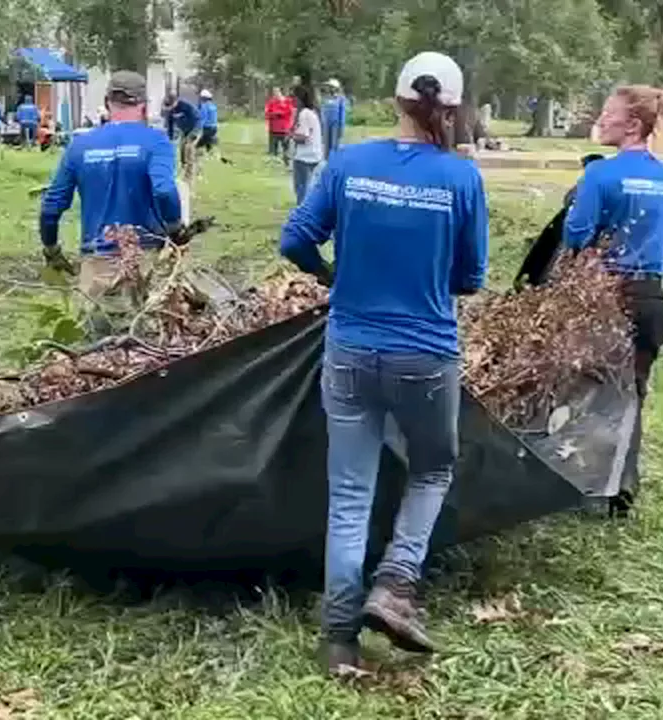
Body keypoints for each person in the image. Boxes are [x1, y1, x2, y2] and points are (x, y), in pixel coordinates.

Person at [279, 51, 487, 675]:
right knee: (431, 470)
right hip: (425, 354)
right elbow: (470, 277)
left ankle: (338, 641)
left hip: (348, 350)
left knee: (349, 496)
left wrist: (332, 277)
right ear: (450, 108)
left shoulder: (347, 163)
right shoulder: (460, 179)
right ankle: (396, 585)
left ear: (395, 100)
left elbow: (294, 238)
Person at [562, 85, 663, 518]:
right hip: (650, 298)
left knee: (584, 387)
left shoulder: (600, 175)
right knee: (633, 393)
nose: (601, 119)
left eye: (608, 113)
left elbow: (576, 236)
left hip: (605, 296)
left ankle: (576, 481)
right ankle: (621, 492)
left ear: (632, 125)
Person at [40, 71, 182, 312]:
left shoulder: (80, 145)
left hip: (96, 259)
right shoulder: (156, 142)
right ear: (144, 106)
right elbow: (165, 191)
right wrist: (175, 230)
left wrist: (51, 248)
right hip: (145, 259)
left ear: (107, 103)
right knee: (150, 339)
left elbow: (51, 206)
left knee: (95, 341)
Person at [289, 85, 324, 204]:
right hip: (315, 155)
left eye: (293, 98)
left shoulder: (304, 114)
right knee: (309, 188)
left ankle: (302, 217)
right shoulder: (312, 112)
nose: (292, 101)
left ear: (299, 99)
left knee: (301, 190)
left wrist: (291, 136)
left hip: (304, 157)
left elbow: (303, 136)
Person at [163, 91, 202, 183]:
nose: (170, 108)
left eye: (171, 105)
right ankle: (183, 171)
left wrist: (194, 134)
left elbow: (197, 119)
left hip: (194, 130)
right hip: (184, 131)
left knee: (188, 150)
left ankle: (189, 176)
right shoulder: (170, 111)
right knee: (182, 151)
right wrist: (170, 139)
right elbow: (170, 125)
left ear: (176, 101)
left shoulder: (186, 106)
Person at [320, 78, 348, 158]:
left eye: (330, 86)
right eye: (328, 86)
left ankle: (334, 161)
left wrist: (341, 128)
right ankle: (326, 161)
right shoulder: (325, 98)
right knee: (326, 145)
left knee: (334, 145)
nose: (328, 88)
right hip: (326, 124)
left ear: (335, 88)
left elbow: (342, 114)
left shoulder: (340, 99)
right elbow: (323, 111)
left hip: (335, 124)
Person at [265, 87, 292, 160]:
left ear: (281, 92)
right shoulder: (271, 102)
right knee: (274, 144)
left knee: (285, 143)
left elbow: (289, 112)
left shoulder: (287, 101)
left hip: (284, 127)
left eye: (277, 91)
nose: (276, 93)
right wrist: (274, 114)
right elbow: (267, 113)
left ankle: (286, 155)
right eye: (274, 92)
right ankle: (274, 155)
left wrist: (280, 113)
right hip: (274, 127)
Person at [196, 88, 219, 156]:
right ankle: (210, 152)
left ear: (203, 98)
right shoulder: (213, 106)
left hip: (207, 128)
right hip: (214, 128)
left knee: (198, 144)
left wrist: (199, 127)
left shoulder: (204, 106)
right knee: (208, 141)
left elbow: (203, 118)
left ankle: (199, 152)